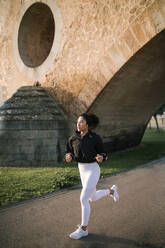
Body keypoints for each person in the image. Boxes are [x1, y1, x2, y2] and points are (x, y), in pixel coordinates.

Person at [65, 113, 119, 239]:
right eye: (78, 122)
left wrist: (101, 157)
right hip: (81, 170)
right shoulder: (73, 138)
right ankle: (112, 191)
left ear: (87, 125)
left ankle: (83, 229)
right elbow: (69, 152)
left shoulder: (95, 138)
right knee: (92, 198)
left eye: (81, 122)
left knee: (83, 198)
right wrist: (68, 157)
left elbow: (104, 153)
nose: (78, 124)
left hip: (93, 170)